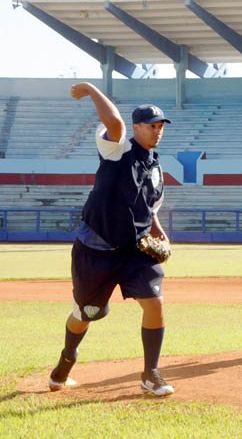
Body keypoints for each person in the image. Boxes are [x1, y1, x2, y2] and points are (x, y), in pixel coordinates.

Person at [48, 82, 174, 396]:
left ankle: (150, 374)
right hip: (97, 249)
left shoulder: (156, 166)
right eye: (151, 126)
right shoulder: (118, 147)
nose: (157, 131)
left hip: (135, 249)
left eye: (160, 126)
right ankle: (67, 359)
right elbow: (114, 124)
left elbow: (151, 207)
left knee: (155, 304)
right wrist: (91, 89)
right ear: (137, 127)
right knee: (87, 313)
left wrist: (160, 234)